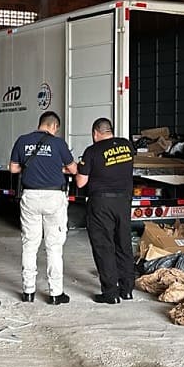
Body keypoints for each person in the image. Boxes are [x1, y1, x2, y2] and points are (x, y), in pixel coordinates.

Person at [9, 111, 77, 304]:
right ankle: (55, 293)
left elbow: (13, 168)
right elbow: (73, 169)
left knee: (29, 245)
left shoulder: (22, 141)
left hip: (30, 196)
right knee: (54, 247)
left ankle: (28, 291)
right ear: (54, 126)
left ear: (40, 124)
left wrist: (31, 167)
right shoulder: (58, 143)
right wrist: (57, 168)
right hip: (54, 197)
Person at [74, 118, 135, 304]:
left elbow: (80, 182)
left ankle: (110, 293)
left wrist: (80, 169)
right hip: (123, 202)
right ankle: (127, 290)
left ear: (95, 133)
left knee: (104, 247)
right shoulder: (127, 146)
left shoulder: (92, 151)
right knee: (123, 244)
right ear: (110, 130)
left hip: (101, 203)